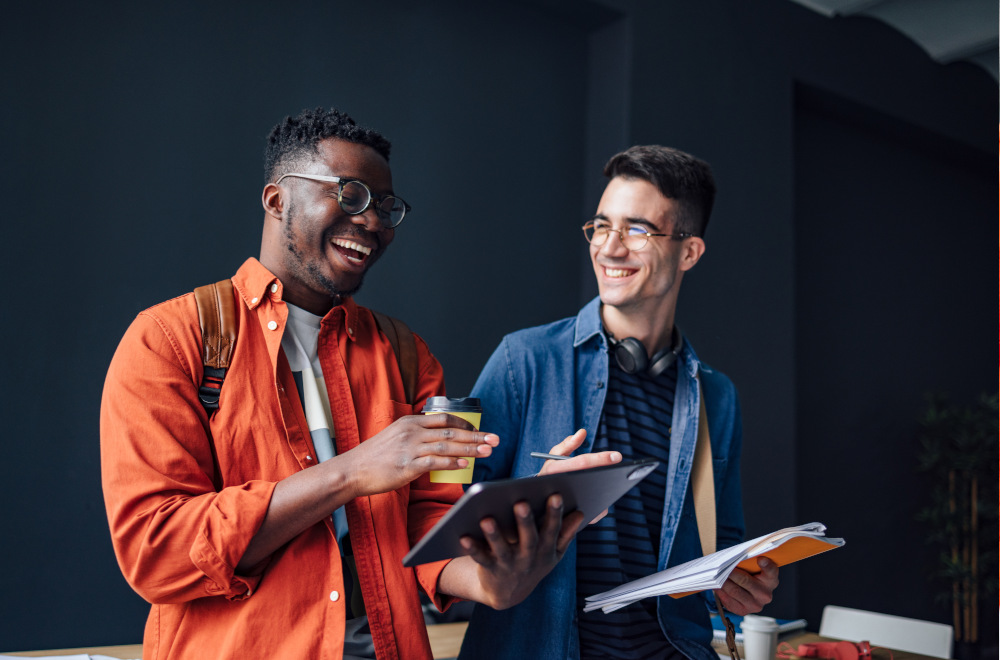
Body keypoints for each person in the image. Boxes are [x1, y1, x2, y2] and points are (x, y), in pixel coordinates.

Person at [100, 107, 611, 660]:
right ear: (276, 200)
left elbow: (430, 522)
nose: (373, 221)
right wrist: (350, 472)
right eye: (350, 195)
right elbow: (156, 553)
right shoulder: (170, 340)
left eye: (386, 206)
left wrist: (500, 571)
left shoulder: (408, 355)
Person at [458, 145, 780, 660]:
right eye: (601, 225)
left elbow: (723, 547)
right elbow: (450, 518)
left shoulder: (716, 398)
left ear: (689, 252)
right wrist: (533, 505)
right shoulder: (524, 360)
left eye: (636, 229)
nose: (609, 248)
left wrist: (740, 584)